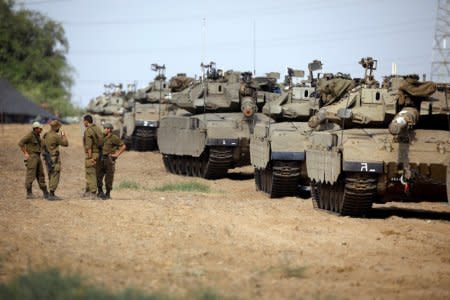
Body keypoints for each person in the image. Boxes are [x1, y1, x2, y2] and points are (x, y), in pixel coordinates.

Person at [18, 121, 50, 200]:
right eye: (40, 128)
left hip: (37, 157)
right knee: (30, 174)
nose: (41, 129)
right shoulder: (30, 135)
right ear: (36, 129)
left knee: (41, 174)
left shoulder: (37, 136)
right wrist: (25, 153)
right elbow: (20, 143)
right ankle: (29, 193)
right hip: (32, 157)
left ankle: (45, 192)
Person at [97, 123, 126, 199]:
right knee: (99, 176)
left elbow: (123, 146)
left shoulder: (114, 138)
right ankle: (100, 192)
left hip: (109, 160)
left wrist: (117, 154)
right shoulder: (102, 137)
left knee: (109, 178)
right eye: (104, 128)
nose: (104, 130)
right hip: (101, 159)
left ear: (109, 129)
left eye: (105, 128)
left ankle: (108, 193)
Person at [43, 120, 69, 200]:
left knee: (50, 174)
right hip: (54, 158)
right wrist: (63, 135)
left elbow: (42, 145)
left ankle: (50, 193)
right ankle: (52, 194)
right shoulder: (55, 136)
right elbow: (65, 143)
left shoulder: (46, 135)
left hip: (47, 158)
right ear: (56, 127)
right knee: (55, 174)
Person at [83, 114, 103, 198]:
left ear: (86, 121)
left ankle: (93, 192)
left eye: (84, 121)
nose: (83, 123)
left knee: (90, 173)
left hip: (92, 154)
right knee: (95, 173)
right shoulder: (97, 129)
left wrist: (90, 157)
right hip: (99, 154)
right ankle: (87, 191)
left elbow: (89, 146)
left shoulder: (88, 130)